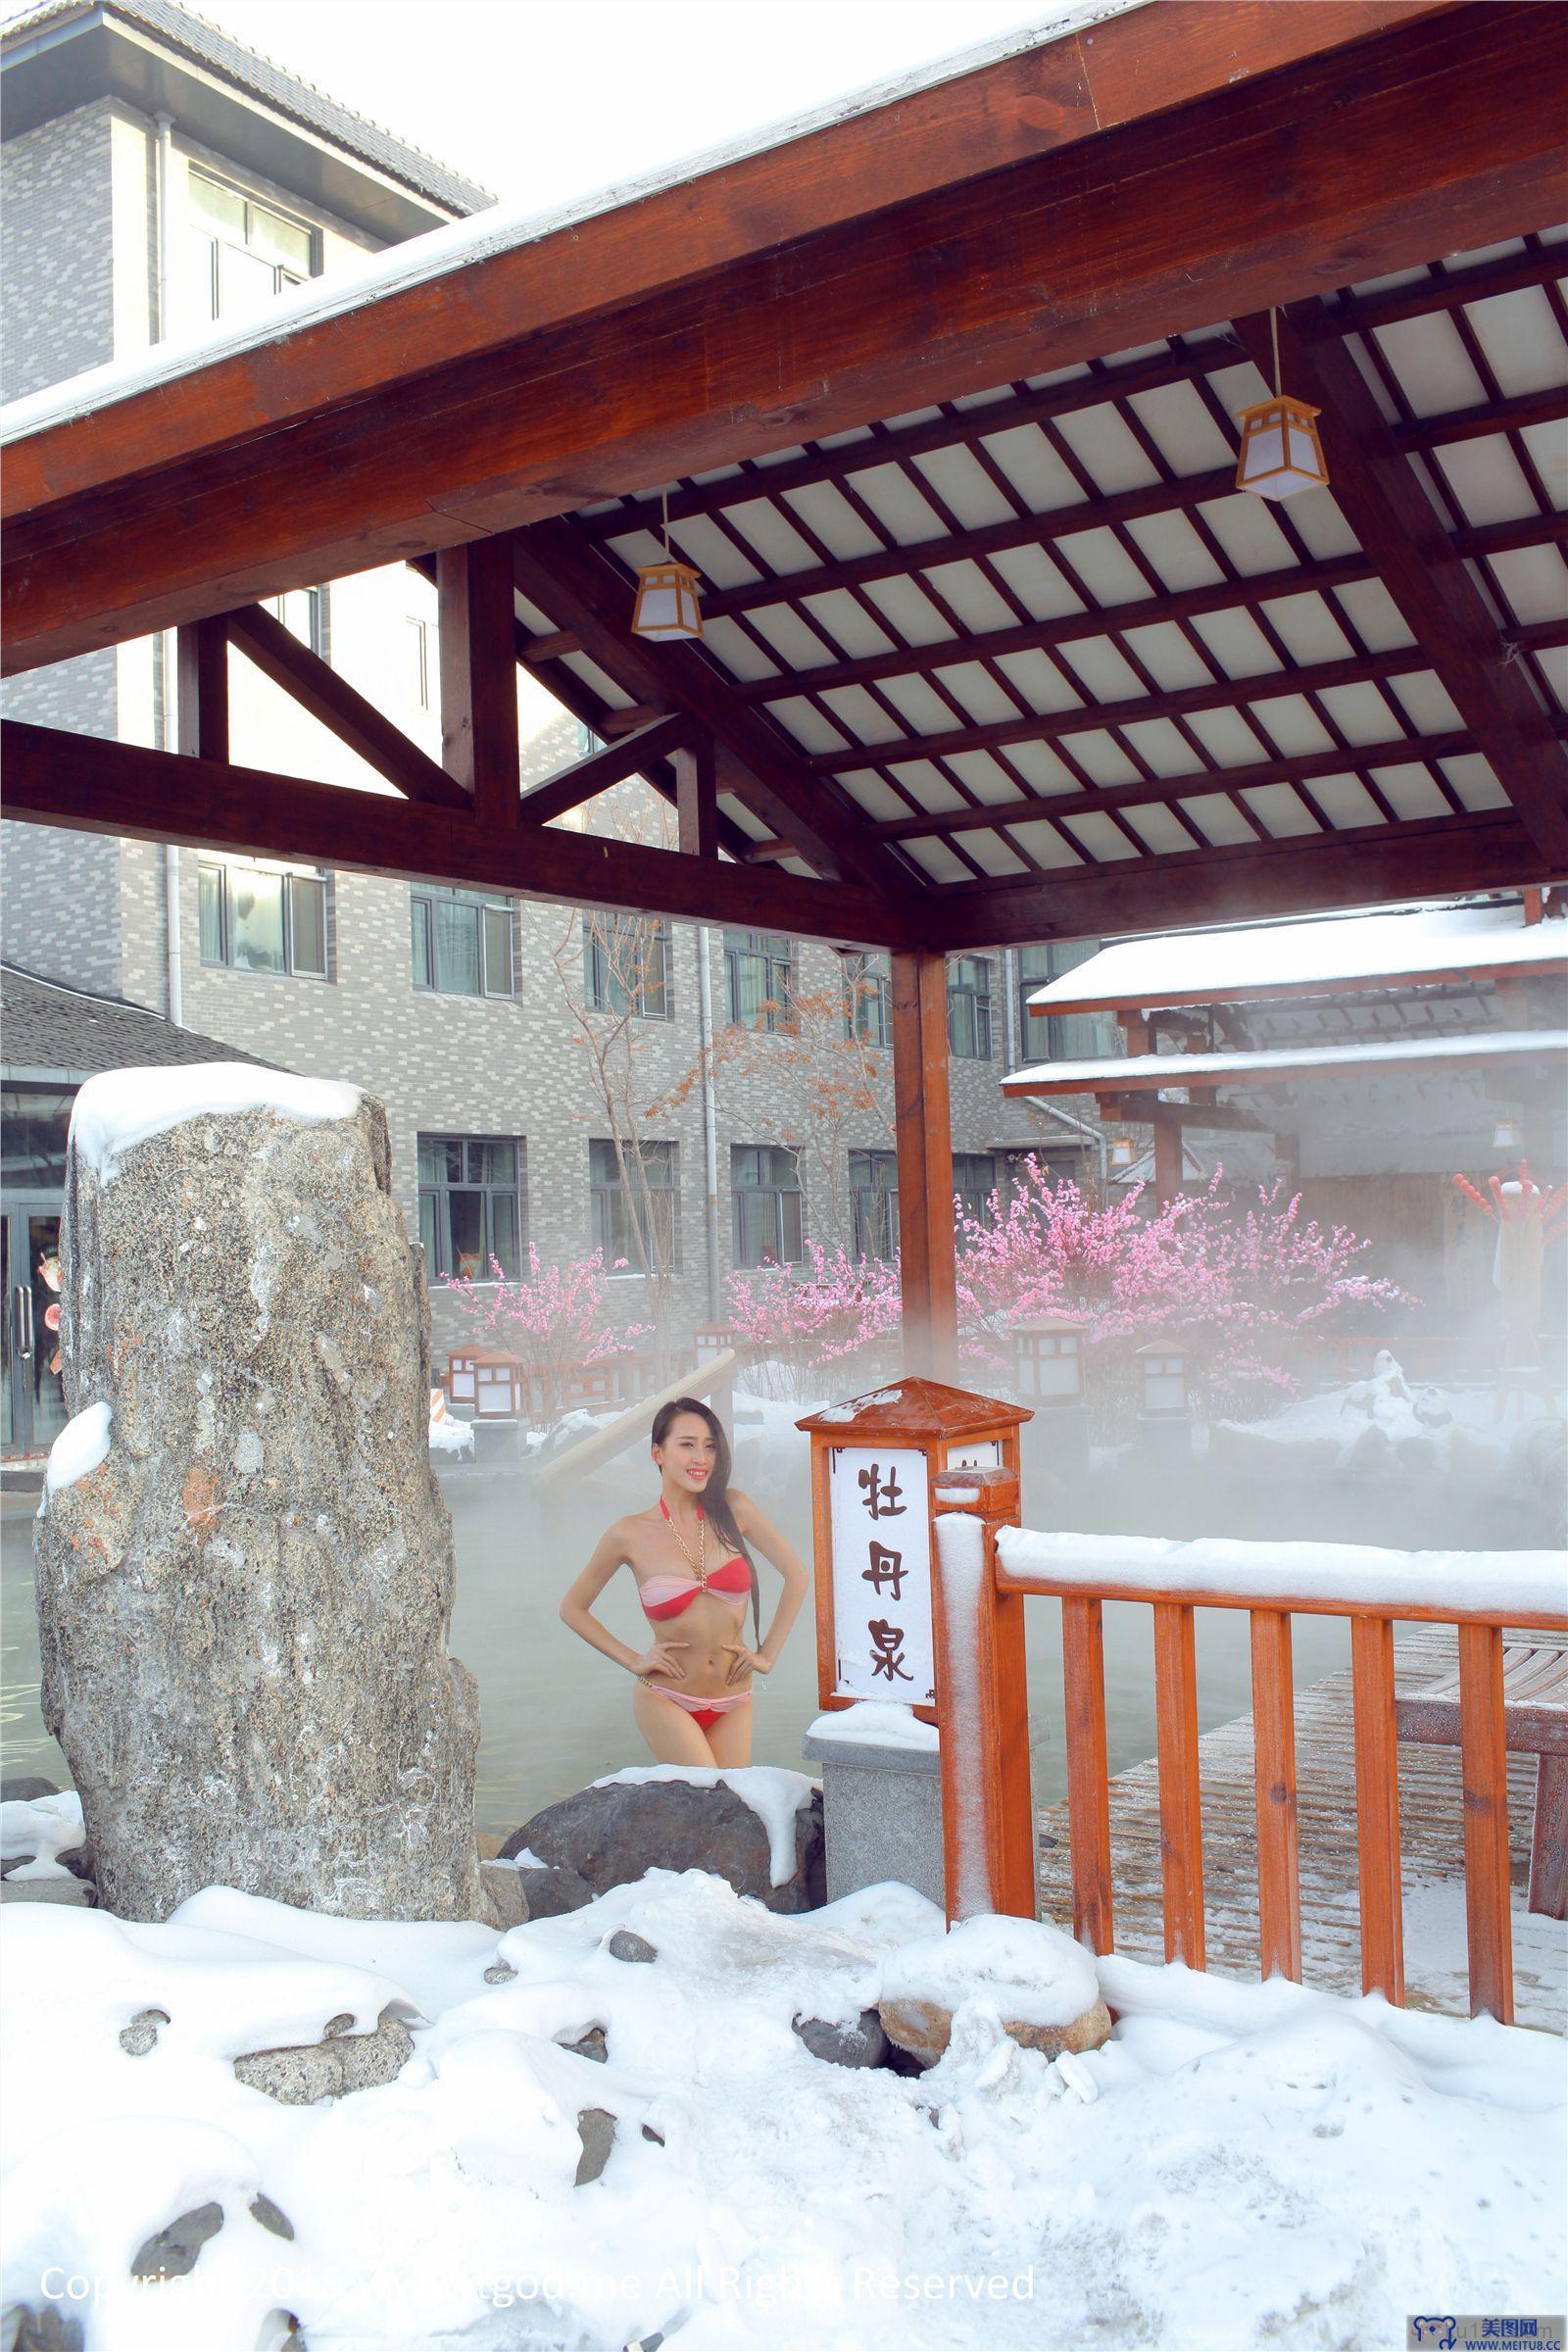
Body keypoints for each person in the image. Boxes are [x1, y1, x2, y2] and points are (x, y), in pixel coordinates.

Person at [559, 1398, 809, 1764]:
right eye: (687, 1444)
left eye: (709, 1446)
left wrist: (768, 1654)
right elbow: (572, 1608)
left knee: (732, 1805)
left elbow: (796, 1574)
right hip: (667, 1697)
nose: (701, 1458)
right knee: (709, 1791)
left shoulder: (734, 1509)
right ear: (657, 1453)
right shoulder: (628, 1534)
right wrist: (632, 1659)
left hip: (734, 1698)